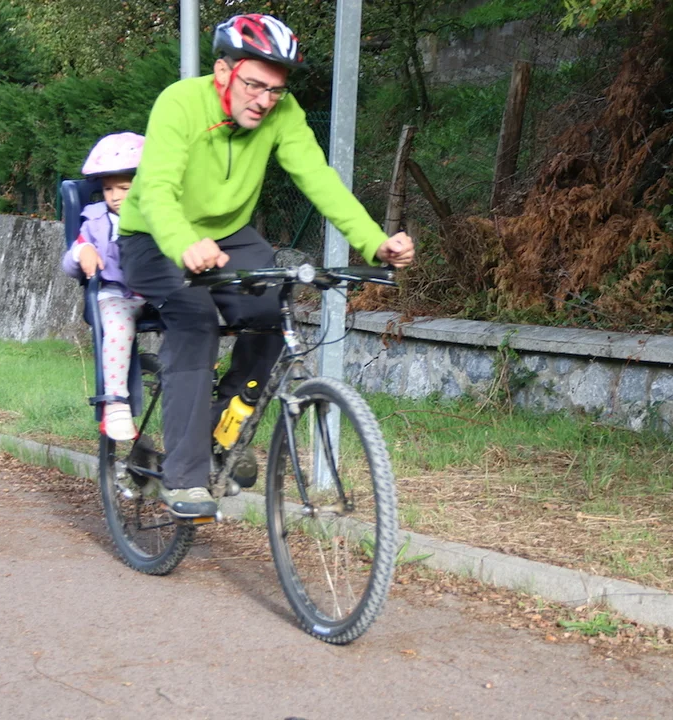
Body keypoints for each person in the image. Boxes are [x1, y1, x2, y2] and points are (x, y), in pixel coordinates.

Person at [118, 13, 415, 518]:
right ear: (223, 72)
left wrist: (375, 243)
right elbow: (158, 190)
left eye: (275, 90)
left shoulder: (284, 112)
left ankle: (221, 430)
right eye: (254, 84)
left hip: (229, 234)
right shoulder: (180, 102)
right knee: (194, 320)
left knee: (274, 313)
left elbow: (319, 179)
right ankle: (184, 477)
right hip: (152, 235)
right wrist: (184, 242)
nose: (264, 99)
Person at [60, 132, 146, 442]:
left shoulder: (159, 215)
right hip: (115, 293)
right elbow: (71, 259)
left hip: (156, 292)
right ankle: (116, 402)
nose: (115, 196)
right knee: (118, 328)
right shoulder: (95, 221)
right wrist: (83, 251)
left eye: (124, 188)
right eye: (108, 188)